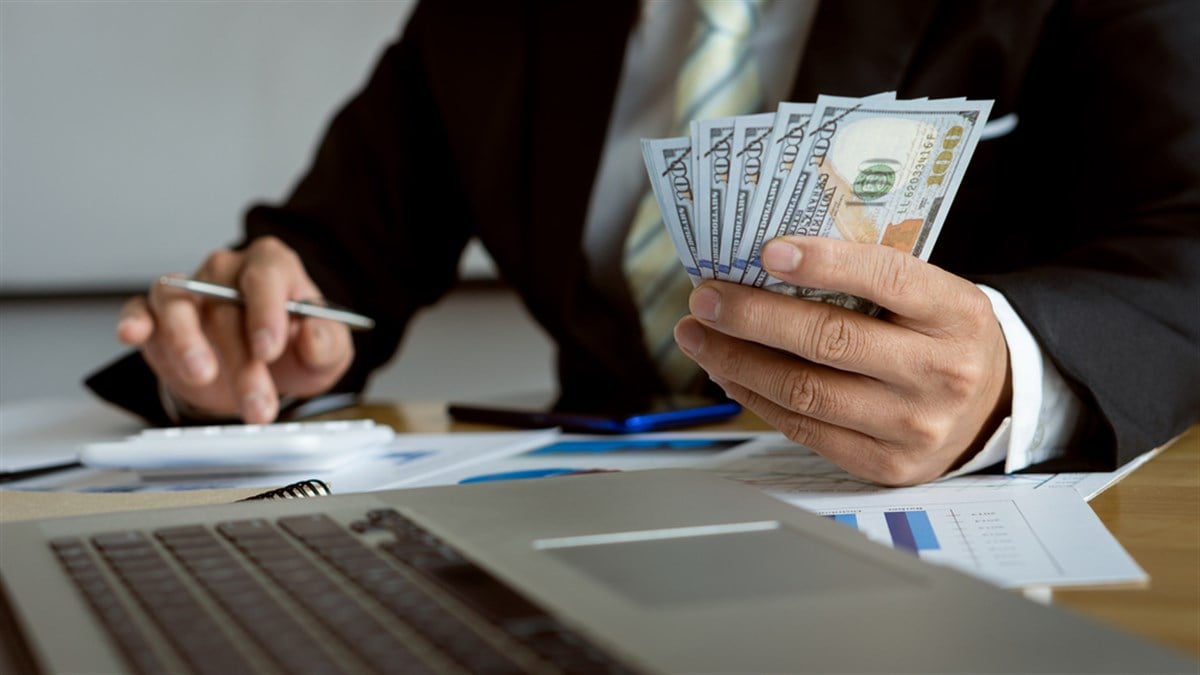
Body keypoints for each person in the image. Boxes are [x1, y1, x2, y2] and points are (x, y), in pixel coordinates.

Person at [85, 0, 1200, 486]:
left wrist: (1015, 374)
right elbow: (329, 258)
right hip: (587, 526)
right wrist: (246, 337)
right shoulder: (491, 16)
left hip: (978, 546)